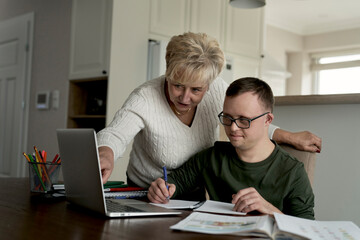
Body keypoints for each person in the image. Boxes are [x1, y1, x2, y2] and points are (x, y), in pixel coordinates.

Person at [97, 32, 321, 190]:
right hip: (147, 193)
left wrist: (289, 136)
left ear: (209, 83)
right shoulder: (145, 97)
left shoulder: (216, 90)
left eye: (196, 89)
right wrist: (106, 153)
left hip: (196, 191)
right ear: (167, 72)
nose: (185, 98)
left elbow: (246, 120)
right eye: (177, 85)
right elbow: (115, 133)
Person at [147, 77, 315, 220]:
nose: (233, 128)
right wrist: (162, 188)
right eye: (227, 117)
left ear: (267, 120)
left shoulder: (293, 172)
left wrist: (270, 210)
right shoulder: (212, 157)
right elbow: (177, 182)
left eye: (243, 120)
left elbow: (307, 230)